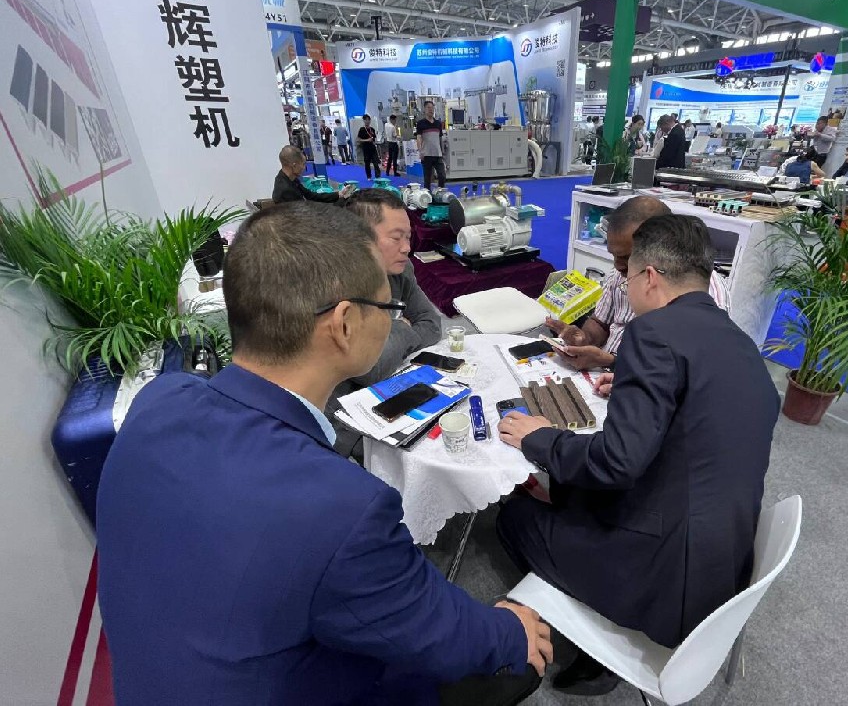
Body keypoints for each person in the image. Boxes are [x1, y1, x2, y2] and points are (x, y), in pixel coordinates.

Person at [97, 202, 552, 705]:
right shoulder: (344, 506)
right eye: (388, 310)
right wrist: (510, 630)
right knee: (516, 662)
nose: (394, 320)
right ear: (344, 324)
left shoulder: (158, 400)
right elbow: (442, 632)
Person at [497, 214, 779, 695]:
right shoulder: (740, 341)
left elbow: (617, 462)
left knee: (514, 517)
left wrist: (539, 437)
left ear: (649, 277)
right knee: (570, 487)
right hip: (721, 563)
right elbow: (699, 422)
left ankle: (594, 636)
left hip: (664, 580)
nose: (625, 288)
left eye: (627, 276)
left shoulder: (654, 333)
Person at [544, 196, 729, 371]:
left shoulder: (703, 291)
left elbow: (684, 370)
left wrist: (613, 363)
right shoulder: (619, 273)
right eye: (614, 255)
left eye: (627, 257)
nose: (618, 266)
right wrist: (585, 339)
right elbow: (600, 322)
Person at [329, 189, 442, 453]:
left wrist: (393, 337)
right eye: (396, 237)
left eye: (408, 237)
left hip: (394, 389)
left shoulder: (400, 270)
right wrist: (401, 328)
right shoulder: (335, 286)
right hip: (346, 424)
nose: (407, 248)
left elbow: (432, 324)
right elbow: (369, 368)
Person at [272, 145, 355, 205]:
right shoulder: (285, 190)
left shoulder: (291, 179)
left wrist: (339, 194)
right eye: (303, 164)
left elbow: (310, 195)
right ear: (294, 165)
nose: (304, 168)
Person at [416, 100, 447, 190]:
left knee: (442, 175)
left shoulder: (438, 124)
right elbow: (419, 138)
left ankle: (440, 192)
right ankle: (427, 195)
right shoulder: (421, 123)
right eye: (429, 108)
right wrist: (420, 151)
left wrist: (442, 151)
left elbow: (440, 138)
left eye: (432, 108)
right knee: (428, 178)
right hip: (426, 154)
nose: (431, 110)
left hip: (437, 154)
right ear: (424, 109)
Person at [357, 114, 381, 179]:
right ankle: (369, 176)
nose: (367, 121)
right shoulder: (362, 129)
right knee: (367, 163)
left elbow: (374, 138)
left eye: (368, 120)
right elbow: (358, 139)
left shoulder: (372, 129)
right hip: (366, 148)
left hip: (373, 148)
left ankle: (378, 176)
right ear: (364, 120)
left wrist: (374, 142)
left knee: (376, 162)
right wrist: (366, 140)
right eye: (366, 120)